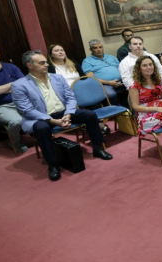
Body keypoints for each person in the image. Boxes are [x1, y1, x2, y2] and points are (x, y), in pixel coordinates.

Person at [12, 51, 112, 181]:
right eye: (42, 63)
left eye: (46, 62)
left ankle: (98, 148)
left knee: (90, 115)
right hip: (41, 116)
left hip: (63, 112)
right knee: (41, 129)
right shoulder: (19, 85)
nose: (46, 64)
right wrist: (53, 121)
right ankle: (53, 164)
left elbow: (70, 97)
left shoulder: (57, 77)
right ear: (29, 65)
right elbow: (27, 110)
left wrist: (68, 114)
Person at [82, 40, 124, 105]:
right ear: (91, 50)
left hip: (120, 81)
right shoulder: (87, 61)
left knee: (134, 87)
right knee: (110, 94)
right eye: (95, 48)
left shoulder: (111, 57)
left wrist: (123, 79)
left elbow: (122, 69)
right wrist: (110, 82)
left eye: (100, 47)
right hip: (104, 84)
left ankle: (131, 110)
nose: (98, 49)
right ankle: (118, 111)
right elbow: (91, 78)